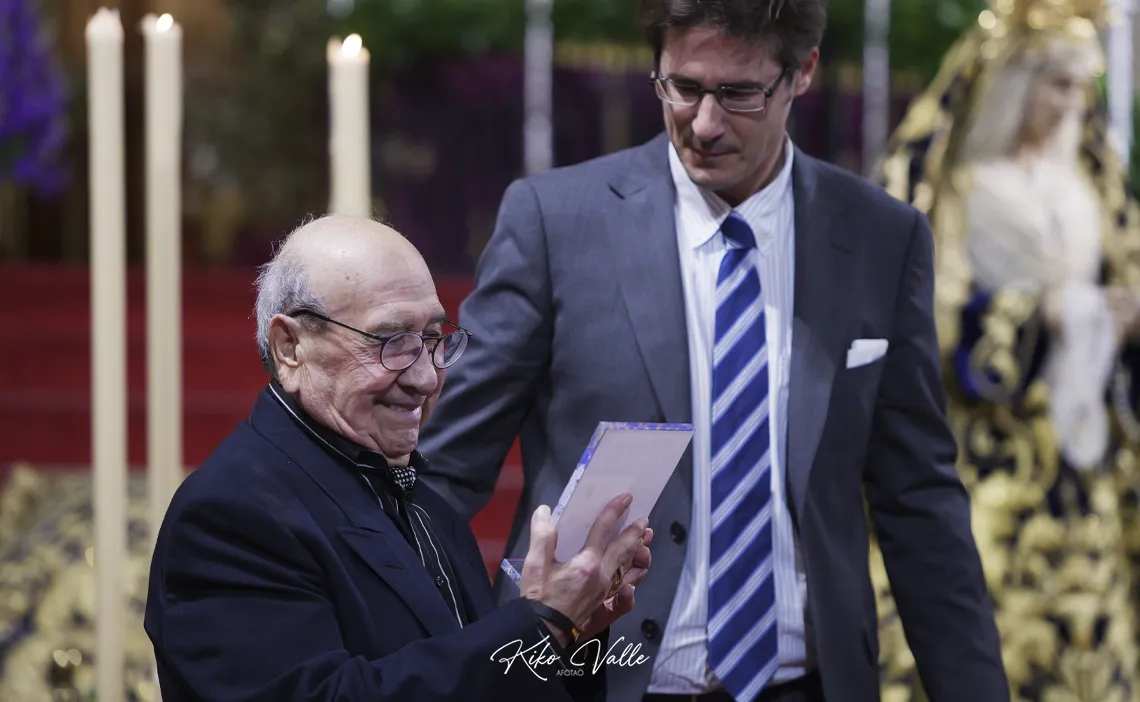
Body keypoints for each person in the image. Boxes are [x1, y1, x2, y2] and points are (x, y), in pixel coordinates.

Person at [417, 0, 1008, 700]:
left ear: (803, 72)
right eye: (683, 87)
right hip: (597, 683)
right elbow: (447, 476)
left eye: (738, 93)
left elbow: (919, 503)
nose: (702, 123)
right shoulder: (556, 223)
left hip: (811, 684)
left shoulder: (880, 237)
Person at [143, 214, 655, 702]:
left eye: (432, 339)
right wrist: (542, 623)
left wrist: (572, 637)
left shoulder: (425, 500)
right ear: (290, 347)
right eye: (391, 342)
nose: (426, 378)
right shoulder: (230, 514)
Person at [874, 0, 1140, 698]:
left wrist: (1116, 314)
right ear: (1018, 84)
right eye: (1058, 85)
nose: (1072, 104)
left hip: (1082, 455)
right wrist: (1040, 313)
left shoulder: (1085, 185)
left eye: (1081, 88)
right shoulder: (963, 188)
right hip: (990, 448)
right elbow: (932, 315)